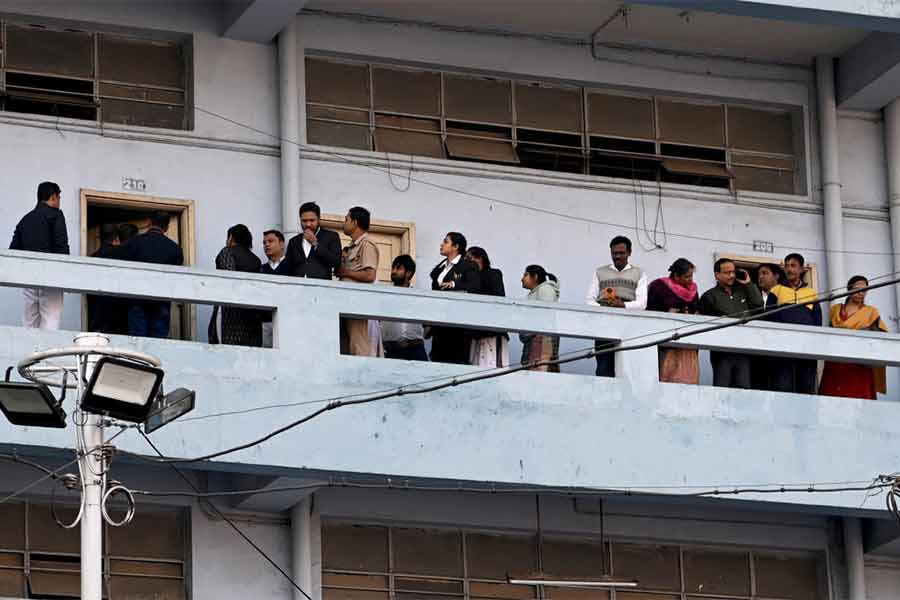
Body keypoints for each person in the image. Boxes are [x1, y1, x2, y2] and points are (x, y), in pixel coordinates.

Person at [9, 181, 69, 329]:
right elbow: (62, 245)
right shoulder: (56, 215)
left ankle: (30, 352)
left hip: (29, 278)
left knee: (29, 323)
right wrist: (66, 275)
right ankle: (46, 352)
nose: (59, 202)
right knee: (50, 322)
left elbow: (14, 249)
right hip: (51, 277)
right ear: (54, 197)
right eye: (59, 198)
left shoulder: (25, 219)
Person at [819, 276, 890, 400]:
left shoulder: (871, 312)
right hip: (836, 360)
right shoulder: (835, 309)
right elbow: (828, 334)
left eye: (865, 290)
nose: (861, 293)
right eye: (857, 289)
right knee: (832, 397)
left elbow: (881, 335)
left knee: (858, 398)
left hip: (858, 362)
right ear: (849, 289)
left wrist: (865, 332)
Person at [585, 235, 647, 377]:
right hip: (604, 323)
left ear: (629, 253)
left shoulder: (639, 273)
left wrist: (622, 305)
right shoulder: (599, 272)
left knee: (627, 366)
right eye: (614, 253)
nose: (617, 256)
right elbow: (589, 300)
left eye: (621, 253)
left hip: (629, 325)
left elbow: (642, 304)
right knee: (603, 366)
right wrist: (605, 309)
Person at [699, 258, 763, 389]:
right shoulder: (709, 296)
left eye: (733, 272)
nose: (732, 276)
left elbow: (759, 306)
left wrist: (749, 284)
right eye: (727, 273)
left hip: (744, 348)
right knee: (722, 388)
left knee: (743, 388)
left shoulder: (744, 290)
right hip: (722, 350)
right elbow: (706, 322)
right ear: (717, 275)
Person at [123, 211, 184, 338]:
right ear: (166, 228)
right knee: (158, 342)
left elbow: (123, 272)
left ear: (149, 223)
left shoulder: (133, 243)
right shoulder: (175, 249)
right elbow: (175, 279)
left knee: (137, 342)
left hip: (137, 299)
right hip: (161, 301)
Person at [770, 253, 822, 394]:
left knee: (806, 388)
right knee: (782, 388)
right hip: (782, 348)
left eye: (793, 265)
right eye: (786, 266)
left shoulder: (811, 293)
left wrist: (814, 346)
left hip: (806, 349)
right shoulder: (776, 290)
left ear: (802, 269)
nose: (789, 269)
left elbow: (817, 323)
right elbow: (768, 320)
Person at [428, 232, 480, 364]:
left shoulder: (468, 265)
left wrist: (454, 284)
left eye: (446, 242)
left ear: (456, 246)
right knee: (438, 360)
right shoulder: (440, 268)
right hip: (440, 321)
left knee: (456, 360)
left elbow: (475, 285)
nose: (441, 244)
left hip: (458, 322)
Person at [647, 258, 700, 384]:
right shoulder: (659, 286)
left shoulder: (693, 290)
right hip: (666, 338)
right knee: (667, 375)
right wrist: (667, 313)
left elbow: (697, 309)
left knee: (687, 378)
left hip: (687, 339)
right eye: (687, 276)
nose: (691, 279)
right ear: (676, 275)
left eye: (691, 275)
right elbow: (650, 310)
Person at [209, 224, 263, 347]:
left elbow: (230, 279)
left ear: (231, 237)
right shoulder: (256, 260)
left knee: (223, 354)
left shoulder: (227, 252)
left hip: (229, 316)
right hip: (252, 319)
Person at [337, 207, 379, 356]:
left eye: (346, 219)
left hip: (358, 304)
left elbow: (369, 275)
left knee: (358, 345)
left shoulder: (366, 244)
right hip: (346, 303)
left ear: (355, 222)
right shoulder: (351, 247)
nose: (344, 223)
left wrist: (346, 272)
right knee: (346, 346)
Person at [465, 246, 509, 368]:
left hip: (492, 333)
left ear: (480, 258)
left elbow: (499, 299)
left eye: (469, 259)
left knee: (494, 370)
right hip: (475, 335)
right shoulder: (469, 280)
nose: (467, 263)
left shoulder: (493, 274)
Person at [381, 255, 428, 361]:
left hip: (415, 351)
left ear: (408, 273)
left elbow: (428, 326)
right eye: (393, 268)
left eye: (398, 268)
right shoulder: (384, 296)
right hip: (392, 352)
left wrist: (413, 339)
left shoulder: (419, 297)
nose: (394, 271)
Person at [283, 202, 342, 279]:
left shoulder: (331, 236)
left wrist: (315, 243)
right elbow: (288, 268)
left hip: (320, 287)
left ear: (319, 219)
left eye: (312, 220)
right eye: (304, 221)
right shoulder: (294, 241)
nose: (308, 224)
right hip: (297, 287)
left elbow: (336, 262)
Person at [751, 262, 787, 390]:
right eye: (759, 274)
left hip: (780, 349)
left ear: (776, 276)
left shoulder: (785, 295)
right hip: (758, 351)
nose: (760, 277)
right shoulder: (754, 296)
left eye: (765, 273)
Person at [88, 224, 128, 334]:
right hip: (119, 313)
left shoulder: (92, 258)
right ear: (116, 238)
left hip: (97, 314)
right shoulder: (124, 255)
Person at [520, 265, 560, 372]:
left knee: (541, 370)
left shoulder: (545, 288)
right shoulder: (535, 293)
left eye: (525, 275)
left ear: (535, 277)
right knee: (531, 369)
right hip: (534, 339)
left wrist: (528, 332)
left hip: (542, 340)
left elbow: (546, 315)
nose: (522, 279)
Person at [260, 229, 289, 347]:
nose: (266, 245)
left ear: (282, 244)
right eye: (264, 243)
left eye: (270, 241)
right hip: (265, 321)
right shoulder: (260, 269)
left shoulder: (291, 266)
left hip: (286, 320)